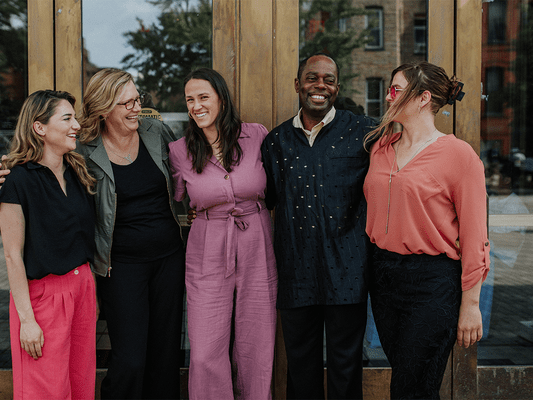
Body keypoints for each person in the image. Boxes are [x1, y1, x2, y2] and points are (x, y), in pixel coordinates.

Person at [0, 68, 186, 400]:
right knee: (128, 360)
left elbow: (191, 163)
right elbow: (38, 166)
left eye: (137, 99)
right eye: (125, 102)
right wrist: (6, 177)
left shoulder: (156, 133)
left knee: (163, 354)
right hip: (119, 265)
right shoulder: (81, 148)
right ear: (104, 108)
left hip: (167, 259)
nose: (135, 107)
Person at [363, 61, 489, 399]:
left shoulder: (459, 156)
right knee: (410, 378)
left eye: (397, 89)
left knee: (412, 386)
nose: (389, 95)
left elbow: (476, 235)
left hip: (433, 282)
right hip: (385, 277)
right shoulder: (381, 147)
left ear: (423, 98)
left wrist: (470, 304)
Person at [260, 53, 374, 400]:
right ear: (298, 84)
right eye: (312, 78)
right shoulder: (276, 142)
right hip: (296, 272)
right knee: (301, 368)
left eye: (329, 79)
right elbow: (267, 200)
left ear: (337, 87)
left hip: (348, 273)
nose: (320, 85)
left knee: (346, 368)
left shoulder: (364, 133)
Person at [170, 67, 278, 399]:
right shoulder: (179, 150)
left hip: (257, 239)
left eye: (203, 97)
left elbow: (277, 184)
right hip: (207, 244)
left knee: (256, 343)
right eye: (190, 99)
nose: (196, 106)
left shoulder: (256, 135)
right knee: (204, 350)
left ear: (221, 98)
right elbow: (171, 200)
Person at [0, 90, 98, 399]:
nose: (76, 125)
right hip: (42, 299)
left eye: (75, 118)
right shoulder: (17, 180)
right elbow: (13, 256)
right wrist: (27, 320)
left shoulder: (77, 172)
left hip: (82, 288)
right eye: (66, 118)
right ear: (39, 128)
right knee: (46, 390)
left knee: (80, 386)